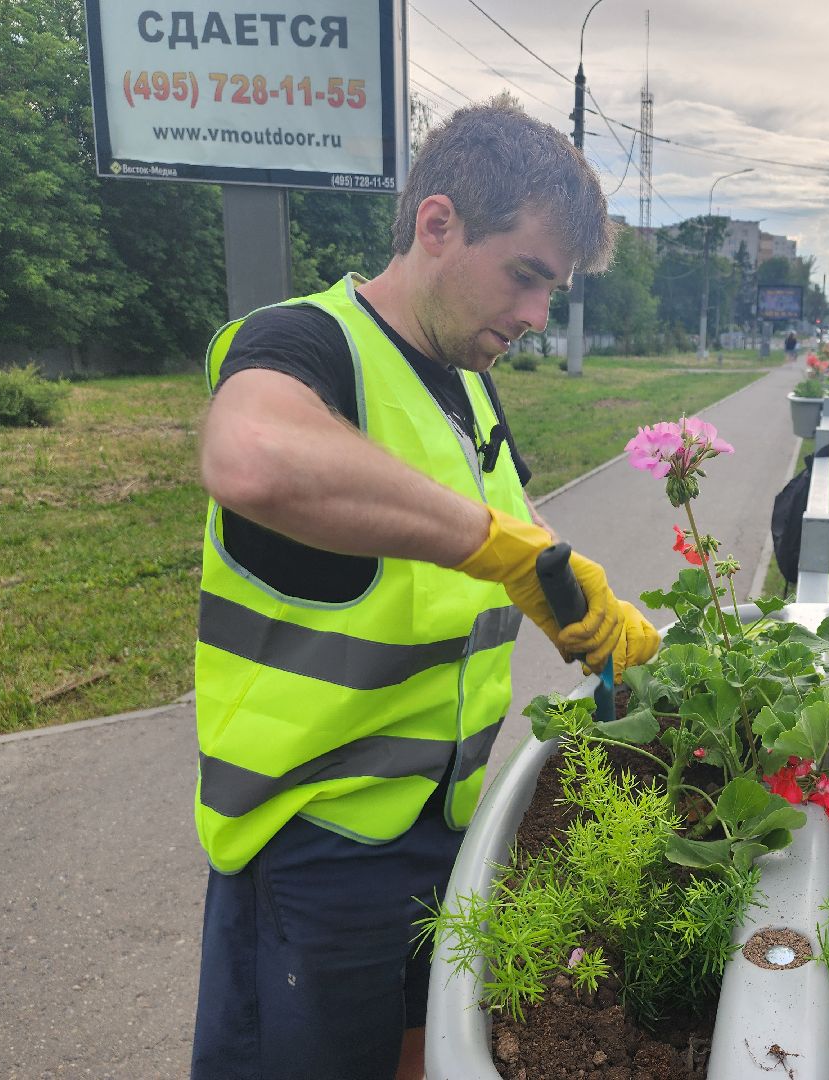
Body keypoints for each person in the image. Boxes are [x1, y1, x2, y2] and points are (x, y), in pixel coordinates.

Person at [189, 97, 660, 1080]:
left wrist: (585, 610)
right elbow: (256, 455)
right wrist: (502, 551)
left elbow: (513, 547)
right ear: (437, 224)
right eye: (526, 277)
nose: (536, 317)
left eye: (552, 291)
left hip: (440, 830)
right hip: (316, 851)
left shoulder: (465, 385)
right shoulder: (305, 343)